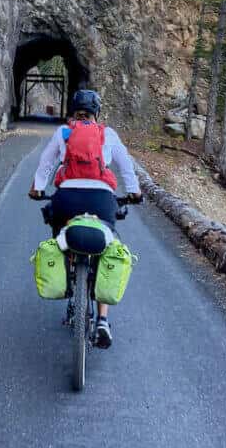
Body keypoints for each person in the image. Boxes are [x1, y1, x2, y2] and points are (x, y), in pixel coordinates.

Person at [28, 89, 141, 348]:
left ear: (73, 111)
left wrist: (37, 187)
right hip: (101, 199)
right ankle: (102, 320)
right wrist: (134, 192)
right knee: (108, 243)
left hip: (67, 197)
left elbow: (46, 163)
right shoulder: (107, 134)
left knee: (60, 236)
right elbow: (125, 165)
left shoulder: (64, 132)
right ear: (96, 112)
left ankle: (68, 277)